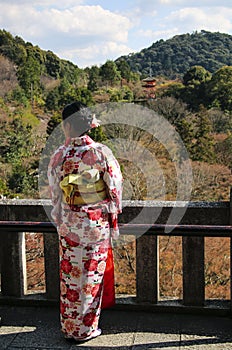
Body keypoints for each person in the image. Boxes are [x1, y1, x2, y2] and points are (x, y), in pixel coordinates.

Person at [47, 101, 123, 342]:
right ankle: (87, 329)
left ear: (68, 126)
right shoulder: (101, 153)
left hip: (70, 223)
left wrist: (63, 211)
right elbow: (115, 187)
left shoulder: (60, 154)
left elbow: (54, 191)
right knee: (90, 276)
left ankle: (70, 328)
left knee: (70, 276)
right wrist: (112, 211)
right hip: (95, 224)